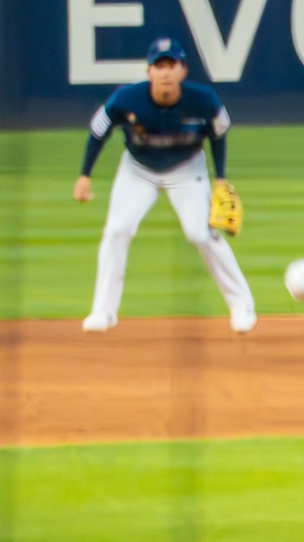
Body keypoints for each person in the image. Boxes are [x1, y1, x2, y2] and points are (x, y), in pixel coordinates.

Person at [75, 37, 255, 336]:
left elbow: (219, 133)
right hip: (138, 170)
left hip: (187, 168)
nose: (165, 73)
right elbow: (98, 131)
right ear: (149, 72)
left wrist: (220, 178)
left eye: (171, 65)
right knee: (117, 230)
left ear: (183, 71)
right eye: (159, 66)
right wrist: (84, 175)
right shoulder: (126, 99)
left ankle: (242, 304)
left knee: (200, 233)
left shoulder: (204, 100)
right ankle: (102, 311)